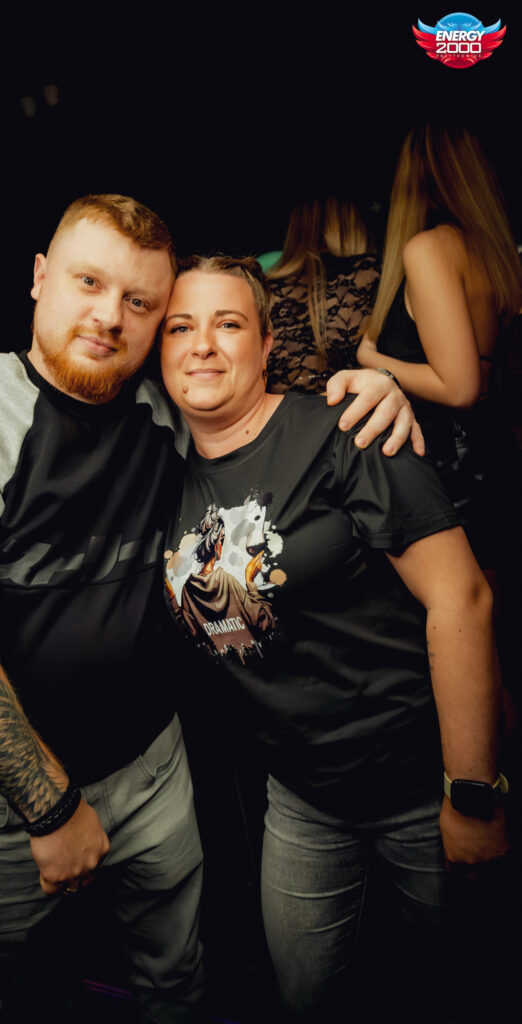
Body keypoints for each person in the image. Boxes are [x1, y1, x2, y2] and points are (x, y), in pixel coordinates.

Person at [0, 194, 418, 1022]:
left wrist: (370, 394)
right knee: (29, 990)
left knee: (178, 977)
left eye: (140, 301)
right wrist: (51, 808)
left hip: (153, 769)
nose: (109, 316)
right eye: (88, 282)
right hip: (7, 800)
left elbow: (250, 408)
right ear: (40, 278)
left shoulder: (161, 411)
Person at [159, 255, 509, 1020]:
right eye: (180, 327)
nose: (202, 345)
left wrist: (472, 794)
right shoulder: (157, 476)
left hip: (421, 785)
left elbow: (463, 597)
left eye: (227, 324)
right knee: (306, 996)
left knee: (465, 988)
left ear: (264, 343)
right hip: (301, 798)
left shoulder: (347, 430)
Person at [357, 121, 522, 571]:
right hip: (493, 455)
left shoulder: (428, 249)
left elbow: (460, 387)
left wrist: (372, 359)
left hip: (453, 468)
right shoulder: (491, 250)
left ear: (411, 178)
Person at [267, 195, 379, 393]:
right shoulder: (368, 273)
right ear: (353, 219)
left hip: (278, 410)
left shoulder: (265, 287)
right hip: (347, 408)